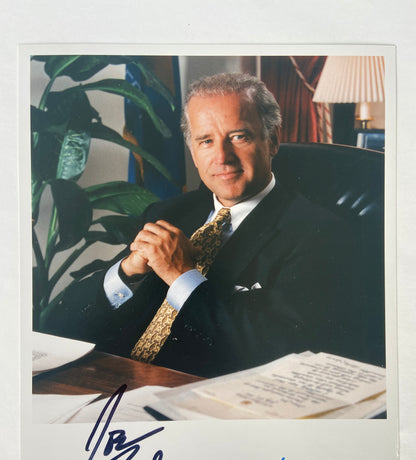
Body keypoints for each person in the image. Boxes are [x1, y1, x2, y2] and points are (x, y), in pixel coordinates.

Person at [49, 73, 365, 377]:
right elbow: (61, 324)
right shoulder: (167, 214)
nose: (222, 157)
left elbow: (282, 351)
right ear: (193, 153)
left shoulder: (321, 234)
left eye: (239, 137)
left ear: (272, 142)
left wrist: (182, 276)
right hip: (112, 383)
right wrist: (126, 272)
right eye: (206, 141)